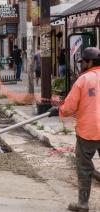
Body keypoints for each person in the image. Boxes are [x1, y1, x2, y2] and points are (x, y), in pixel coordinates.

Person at [48, 47, 100, 212]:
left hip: (89, 130)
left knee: (83, 166)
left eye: (83, 62)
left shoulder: (83, 80)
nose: (82, 65)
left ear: (89, 62)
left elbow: (70, 107)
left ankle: (83, 204)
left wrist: (60, 110)